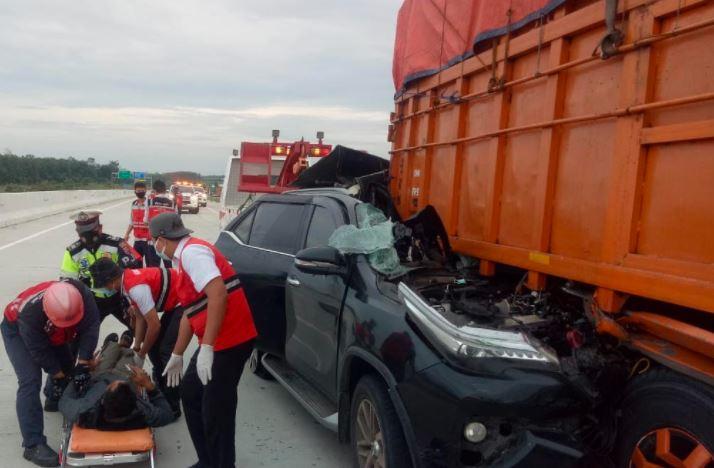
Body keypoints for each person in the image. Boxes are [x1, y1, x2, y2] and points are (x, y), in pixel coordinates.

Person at [150, 212, 257, 468]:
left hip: (231, 340)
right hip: (217, 339)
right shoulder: (181, 259)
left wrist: (207, 346)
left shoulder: (192, 255)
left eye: (154, 240)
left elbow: (218, 293)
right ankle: (207, 461)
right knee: (191, 393)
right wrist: (177, 354)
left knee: (216, 410)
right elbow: (191, 310)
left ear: (162, 239)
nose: (154, 246)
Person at [1, 280, 100, 467]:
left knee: (70, 367)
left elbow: (91, 327)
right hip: (16, 330)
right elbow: (40, 352)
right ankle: (32, 444)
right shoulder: (30, 315)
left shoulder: (82, 295)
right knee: (30, 380)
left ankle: (53, 399)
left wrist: (84, 361)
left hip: (52, 327)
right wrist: (57, 374)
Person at [90, 257, 183, 416]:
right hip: (173, 302)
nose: (105, 289)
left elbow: (154, 325)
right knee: (154, 347)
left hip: (184, 300)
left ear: (111, 281)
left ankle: (173, 405)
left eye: (104, 285)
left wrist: (141, 354)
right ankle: (159, 383)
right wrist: (137, 346)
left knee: (166, 351)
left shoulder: (135, 288)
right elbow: (140, 317)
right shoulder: (125, 283)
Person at [59, 333, 175, 429]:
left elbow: (64, 401)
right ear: (135, 400)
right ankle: (124, 347)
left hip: (99, 374)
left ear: (103, 399)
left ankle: (115, 345)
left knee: (110, 351)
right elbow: (168, 414)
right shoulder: (142, 412)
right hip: (124, 375)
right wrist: (150, 387)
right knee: (129, 355)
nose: (111, 382)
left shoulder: (83, 412)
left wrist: (83, 375)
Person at [60, 210, 142, 328]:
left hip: (119, 297)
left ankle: (132, 341)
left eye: (90, 232)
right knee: (83, 336)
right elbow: (67, 284)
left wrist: (133, 301)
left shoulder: (116, 244)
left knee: (139, 328)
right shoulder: (72, 252)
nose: (87, 236)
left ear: (100, 228)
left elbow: (135, 267)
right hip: (92, 301)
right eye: (83, 233)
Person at [145, 180, 176, 268]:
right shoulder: (172, 202)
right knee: (169, 268)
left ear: (154, 190)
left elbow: (145, 220)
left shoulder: (150, 201)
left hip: (153, 241)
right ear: (165, 189)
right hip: (168, 242)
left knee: (154, 269)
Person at [124, 181, 150, 265]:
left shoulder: (149, 204)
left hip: (148, 240)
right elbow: (131, 221)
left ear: (145, 190)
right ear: (135, 191)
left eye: (142, 191)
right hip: (137, 240)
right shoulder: (134, 204)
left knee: (150, 265)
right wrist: (127, 234)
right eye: (138, 191)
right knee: (136, 264)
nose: (140, 193)